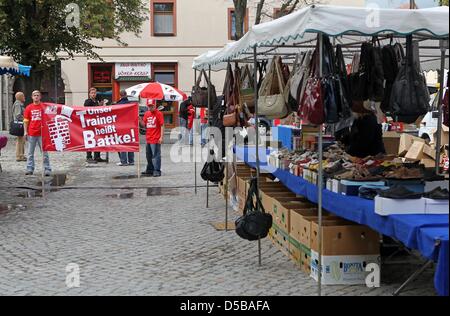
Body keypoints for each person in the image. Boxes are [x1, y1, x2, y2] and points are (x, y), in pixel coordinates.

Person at [23, 90, 52, 176]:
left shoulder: (44, 106)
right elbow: (26, 120)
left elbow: (50, 117)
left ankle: (47, 169)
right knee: (30, 153)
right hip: (32, 133)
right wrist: (25, 131)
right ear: (32, 97)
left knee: (44, 153)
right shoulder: (29, 107)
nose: (36, 97)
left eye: (37, 95)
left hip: (42, 133)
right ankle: (29, 168)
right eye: (34, 95)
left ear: (40, 97)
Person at [141, 101, 165, 177]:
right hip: (148, 138)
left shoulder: (159, 114)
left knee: (156, 155)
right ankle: (150, 169)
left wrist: (161, 137)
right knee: (148, 155)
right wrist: (139, 119)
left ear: (155, 106)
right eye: (149, 106)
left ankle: (157, 170)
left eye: (152, 106)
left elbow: (162, 125)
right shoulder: (147, 113)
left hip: (156, 138)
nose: (150, 108)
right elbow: (144, 125)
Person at [84, 87, 106, 163]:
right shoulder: (88, 101)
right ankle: (89, 157)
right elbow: (89, 111)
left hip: (96, 124)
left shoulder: (96, 101)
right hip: (90, 124)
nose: (94, 94)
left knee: (97, 140)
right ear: (89, 94)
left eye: (94, 93)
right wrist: (98, 106)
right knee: (90, 140)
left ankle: (97, 156)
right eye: (92, 93)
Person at [116, 90, 135, 166]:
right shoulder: (131, 104)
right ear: (126, 95)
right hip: (130, 126)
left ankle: (123, 161)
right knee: (130, 142)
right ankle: (131, 161)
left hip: (121, 126)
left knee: (122, 142)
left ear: (120, 95)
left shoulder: (118, 104)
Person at [12, 92, 27, 162]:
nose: (24, 97)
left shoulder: (19, 104)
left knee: (22, 140)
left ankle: (21, 155)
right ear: (20, 97)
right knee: (20, 140)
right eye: (23, 96)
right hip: (20, 124)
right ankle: (19, 156)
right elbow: (18, 115)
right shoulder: (18, 104)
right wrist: (25, 119)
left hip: (21, 124)